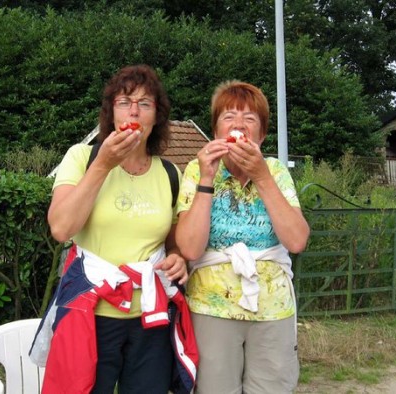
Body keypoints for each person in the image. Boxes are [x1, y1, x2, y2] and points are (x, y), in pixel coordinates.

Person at [35, 64, 195, 394]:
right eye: (124, 102)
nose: (133, 110)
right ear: (111, 113)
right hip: (89, 313)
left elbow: (173, 243)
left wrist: (179, 258)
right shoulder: (82, 157)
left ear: (157, 117)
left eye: (145, 103)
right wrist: (103, 165)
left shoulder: (169, 174)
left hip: (150, 317)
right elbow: (61, 228)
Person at [175, 80, 310, 393]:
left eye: (250, 119)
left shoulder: (275, 170)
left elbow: (297, 241)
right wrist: (207, 178)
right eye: (229, 117)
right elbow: (190, 247)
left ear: (261, 134)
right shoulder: (197, 169)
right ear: (216, 131)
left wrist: (261, 175)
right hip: (211, 307)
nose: (239, 125)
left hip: (273, 307)